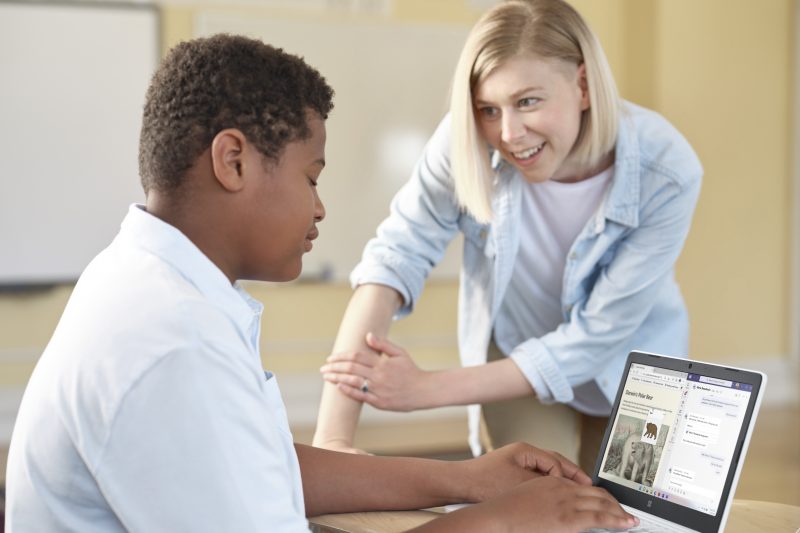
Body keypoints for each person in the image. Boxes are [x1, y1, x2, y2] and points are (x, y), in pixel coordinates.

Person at [4, 34, 637, 532]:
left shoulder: (153, 284)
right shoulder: (174, 345)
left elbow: (261, 466)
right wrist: (497, 523)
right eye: (312, 177)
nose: (320, 207)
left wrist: (467, 480)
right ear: (234, 161)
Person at [313, 0, 702, 472]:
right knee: (533, 505)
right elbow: (393, 260)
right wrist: (331, 441)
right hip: (516, 353)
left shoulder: (667, 169)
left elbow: (599, 335)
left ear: (582, 85)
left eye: (528, 101)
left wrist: (426, 389)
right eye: (488, 109)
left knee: (634, 517)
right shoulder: (463, 145)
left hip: (635, 363)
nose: (509, 133)